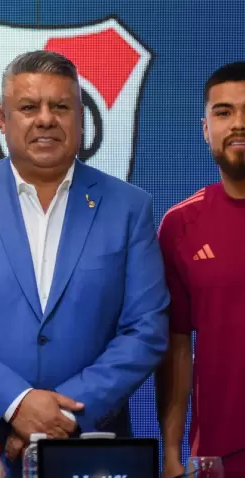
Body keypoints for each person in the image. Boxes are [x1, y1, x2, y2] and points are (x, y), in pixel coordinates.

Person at [0, 50, 169, 477]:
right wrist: (16, 404)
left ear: (81, 116)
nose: (45, 119)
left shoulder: (128, 207)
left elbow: (146, 331)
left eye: (61, 106)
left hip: (90, 448)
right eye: (29, 107)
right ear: (1, 117)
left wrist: (60, 419)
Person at [156, 61, 245, 478]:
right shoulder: (180, 225)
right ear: (205, 128)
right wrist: (171, 453)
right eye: (224, 112)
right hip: (217, 459)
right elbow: (176, 346)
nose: (238, 124)